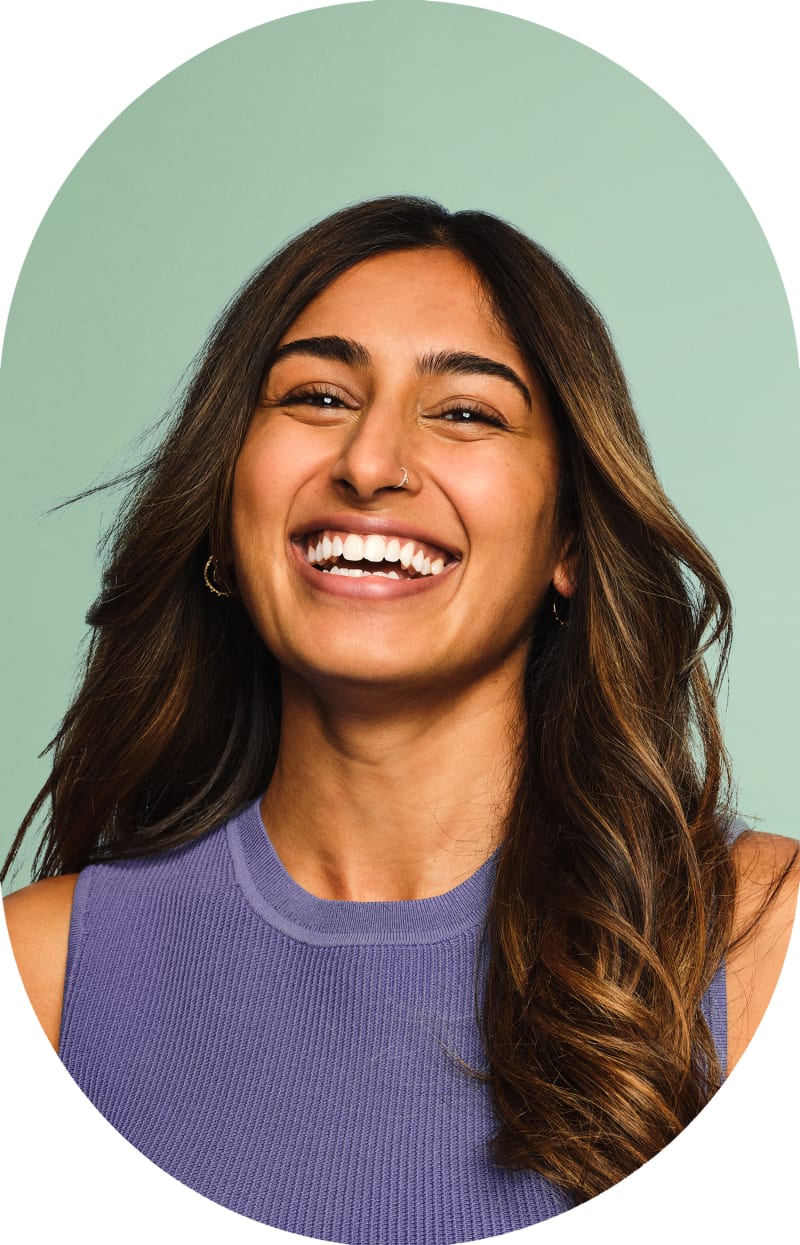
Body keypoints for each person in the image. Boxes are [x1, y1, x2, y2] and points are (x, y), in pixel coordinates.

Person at [3, 196, 798, 1244]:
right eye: (317, 396)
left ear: (567, 541)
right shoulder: (42, 975)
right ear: (224, 506)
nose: (370, 463)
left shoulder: (760, 942)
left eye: (465, 412)